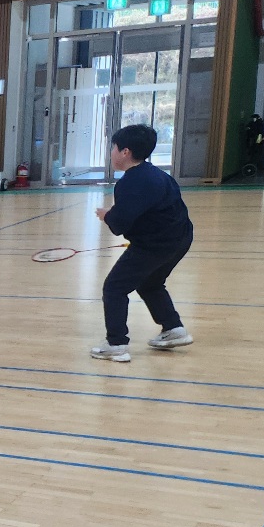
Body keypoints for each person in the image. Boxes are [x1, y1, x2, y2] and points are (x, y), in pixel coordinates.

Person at [90, 123, 194, 362]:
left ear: (125, 152)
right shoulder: (158, 175)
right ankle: (173, 328)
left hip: (155, 245)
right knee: (150, 283)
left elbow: (120, 224)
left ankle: (116, 344)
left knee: (114, 288)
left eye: (114, 148)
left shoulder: (130, 183)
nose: (112, 152)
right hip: (180, 239)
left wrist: (107, 215)